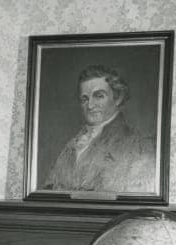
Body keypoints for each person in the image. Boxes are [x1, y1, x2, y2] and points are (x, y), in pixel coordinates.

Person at [42, 64, 157, 193]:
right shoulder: (73, 144)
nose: (90, 105)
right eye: (85, 99)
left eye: (99, 96)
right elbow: (50, 188)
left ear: (118, 98)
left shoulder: (137, 144)